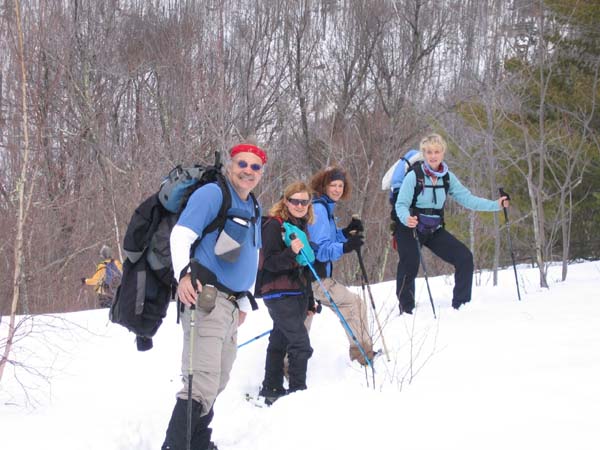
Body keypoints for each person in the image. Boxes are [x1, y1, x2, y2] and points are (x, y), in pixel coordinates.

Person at [162, 142, 266, 450]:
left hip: (231, 305)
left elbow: (251, 254)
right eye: (242, 164)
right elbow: (181, 234)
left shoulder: (254, 205)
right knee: (199, 381)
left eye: (255, 166)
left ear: (261, 172)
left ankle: (198, 443)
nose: (248, 171)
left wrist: (244, 301)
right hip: (205, 296)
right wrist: (183, 274)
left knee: (216, 380)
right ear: (231, 165)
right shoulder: (213, 194)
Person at [394, 133, 509, 314]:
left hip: (433, 228)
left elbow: (468, 199)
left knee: (464, 257)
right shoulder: (414, 176)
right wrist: (406, 218)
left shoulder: (447, 177)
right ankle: (406, 309)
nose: (433, 155)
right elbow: (400, 204)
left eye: (437, 151)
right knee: (410, 263)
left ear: (443, 153)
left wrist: (496, 205)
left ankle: (461, 306)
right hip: (409, 227)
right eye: (429, 152)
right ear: (424, 154)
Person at [255, 181, 317, 405]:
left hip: (297, 292)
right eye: (295, 201)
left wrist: (310, 300)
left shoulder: (300, 225)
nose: (300, 205)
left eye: (304, 201)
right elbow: (269, 262)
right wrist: (291, 252)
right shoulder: (274, 225)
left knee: (279, 340)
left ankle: (271, 388)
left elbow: (305, 268)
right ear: (285, 201)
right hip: (278, 292)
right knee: (300, 344)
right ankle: (298, 395)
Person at [307, 166, 375, 366]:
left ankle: (288, 363)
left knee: (302, 321)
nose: (337, 189)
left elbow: (328, 237)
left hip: (311, 276)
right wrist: (345, 247)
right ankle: (362, 354)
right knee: (353, 304)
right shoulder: (319, 208)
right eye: (333, 185)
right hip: (316, 276)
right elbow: (320, 250)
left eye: (340, 185)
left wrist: (346, 233)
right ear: (323, 185)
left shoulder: (324, 206)